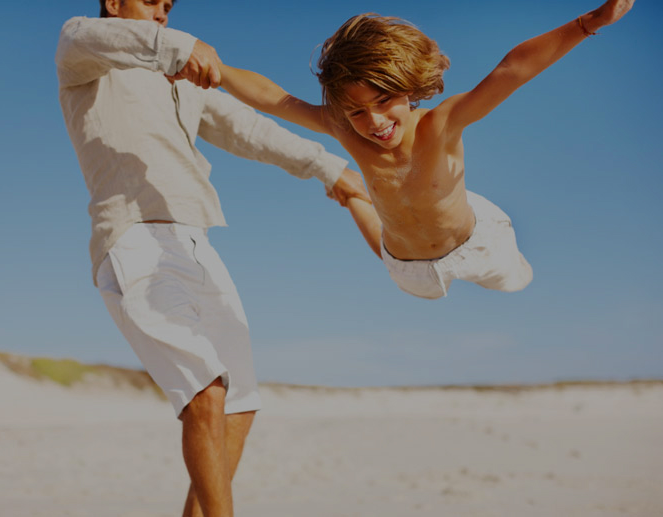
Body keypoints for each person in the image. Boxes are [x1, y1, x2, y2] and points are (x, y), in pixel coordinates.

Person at [55, 0, 369, 515]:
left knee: (240, 405)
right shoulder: (85, 51)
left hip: (198, 243)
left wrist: (329, 169)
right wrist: (183, 45)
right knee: (205, 393)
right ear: (114, 2)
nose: (162, 11)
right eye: (151, 1)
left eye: (169, 6)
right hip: (134, 239)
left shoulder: (177, 80)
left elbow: (250, 129)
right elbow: (89, 38)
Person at [204, 0, 634, 299]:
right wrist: (213, 68)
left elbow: (511, 70)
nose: (373, 122)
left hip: (474, 243)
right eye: (356, 111)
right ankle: (351, 192)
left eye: (383, 102)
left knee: (515, 280)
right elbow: (272, 98)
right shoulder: (343, 128)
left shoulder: (441, 125)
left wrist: (591, 21)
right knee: (389, 250)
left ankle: (354, 191)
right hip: (408, 262)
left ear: (410, 91)